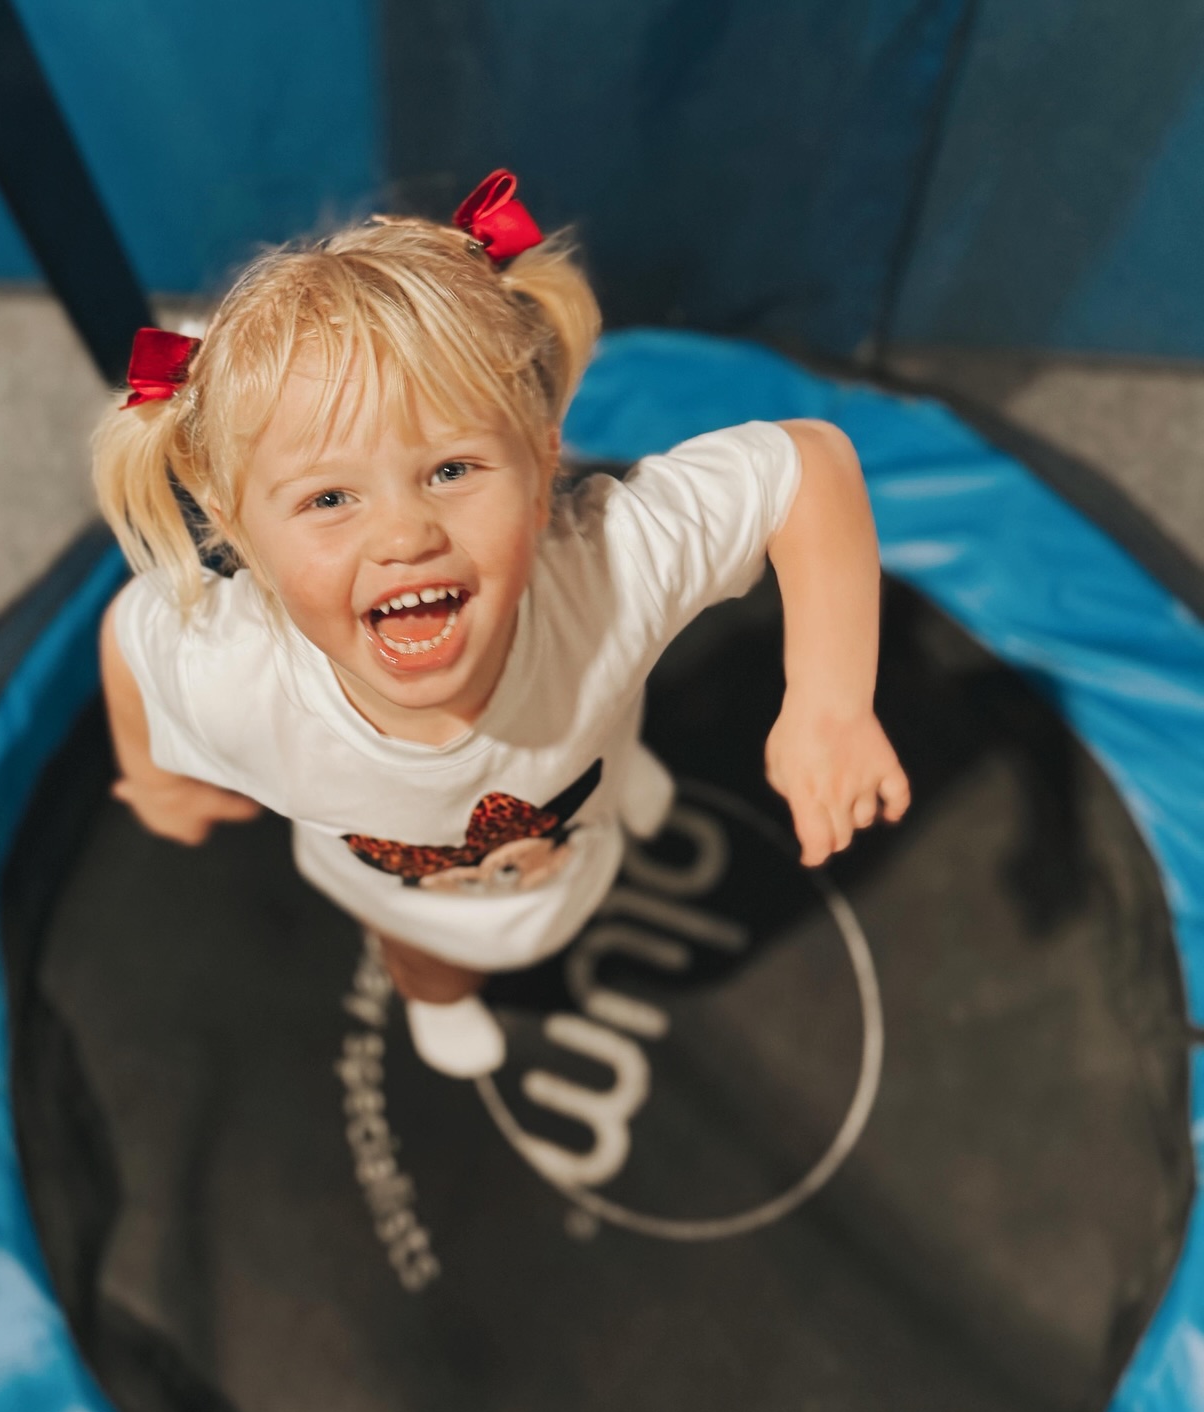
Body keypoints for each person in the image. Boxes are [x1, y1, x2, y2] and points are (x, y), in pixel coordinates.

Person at [93, 171, 910, 1079]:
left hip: (576, 795)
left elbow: (808, 463)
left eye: (451, 470)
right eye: (329, 498)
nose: (404, 534)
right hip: (415, 907)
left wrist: (830, 699)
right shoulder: (235, 676)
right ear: (240, 531)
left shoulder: (608, 569)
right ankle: (438, 1001)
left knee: (595, 744)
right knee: (428, 967)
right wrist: (151, 776)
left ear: (539, 468)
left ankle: (621, 777)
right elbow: (132, 639)